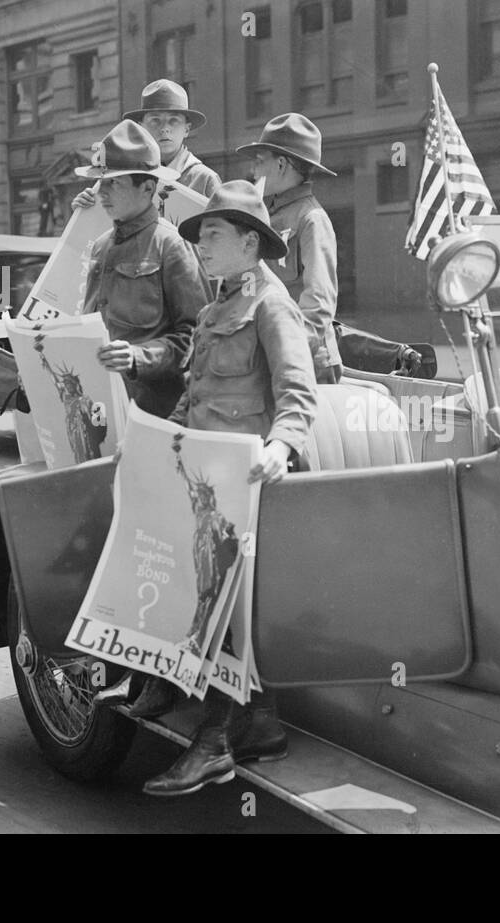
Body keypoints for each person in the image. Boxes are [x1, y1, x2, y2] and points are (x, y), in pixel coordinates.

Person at [134, 180, 317, 797]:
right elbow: (196, 396)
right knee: (208, 600)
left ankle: (212, 745)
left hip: (256, 484)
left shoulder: (271, 303)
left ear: (249, 242)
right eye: (200, 235)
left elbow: (298, 394)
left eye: (212, 235)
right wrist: (168, 441)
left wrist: (280, 446)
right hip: (209, 483)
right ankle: (260, 727)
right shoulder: (215, 310)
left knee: (218, 604)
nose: (202, 246)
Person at [75, 119, 211, 418]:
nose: (102, 193)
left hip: (153, 413)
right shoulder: (99, 247)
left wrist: (138, 357)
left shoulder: (172, 245)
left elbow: (196, 337)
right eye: (101, 182)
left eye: (115, 183)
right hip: (101, 410)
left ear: (148, 187)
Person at [239, 113, 343, 384]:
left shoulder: (311, 220)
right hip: (266, 356)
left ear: (282, 164)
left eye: (260, 161)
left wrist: (282, 348)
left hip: (307, 365)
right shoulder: (262, 214)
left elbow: (318, 308)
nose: (254, 170)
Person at [72, 79, 220, 226]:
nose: (165, 128)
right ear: (141, 127)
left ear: (187, 129)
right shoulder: (123, 174)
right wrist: (84, 212)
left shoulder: (204, 179)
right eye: (155, 120)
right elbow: (101, 230)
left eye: (173, 120)